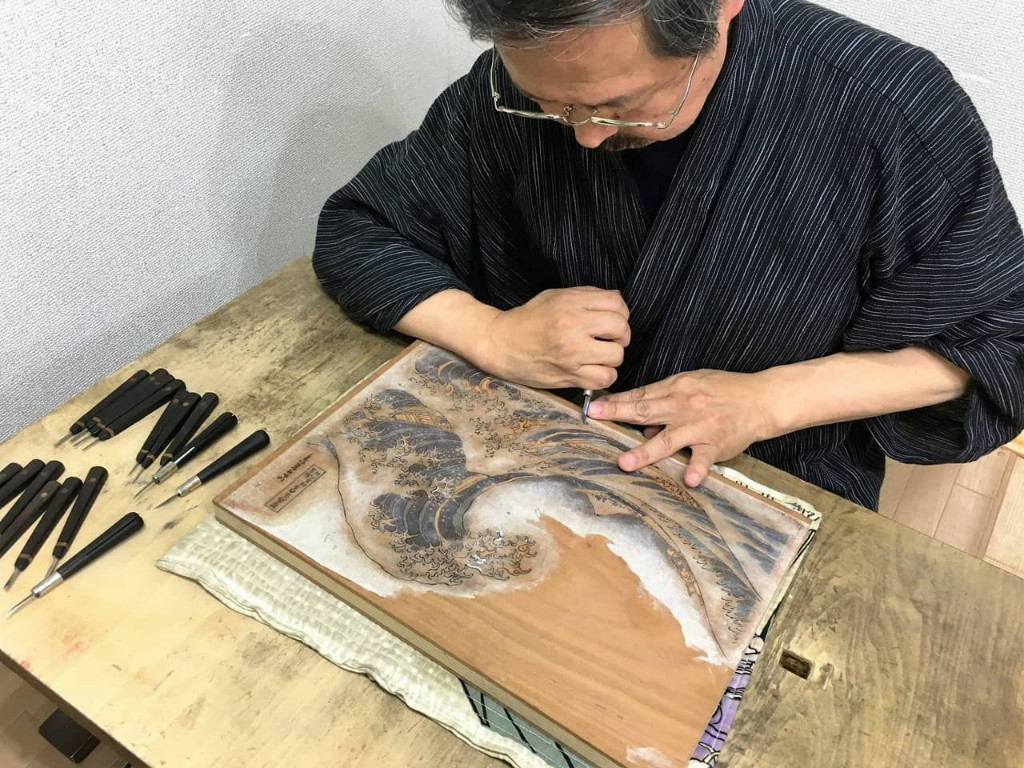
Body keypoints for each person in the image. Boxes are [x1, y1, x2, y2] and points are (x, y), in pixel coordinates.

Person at [311, 0, 1024, 510]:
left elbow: (1002, 343)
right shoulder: (503, 95)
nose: (584, 138)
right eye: (552, 107)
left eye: (622, 105)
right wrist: (488, 333)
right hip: (527, 457)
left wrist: (772, 400)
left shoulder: (886, 109)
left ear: (721, 10)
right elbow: (359, 228)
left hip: (768, 481)